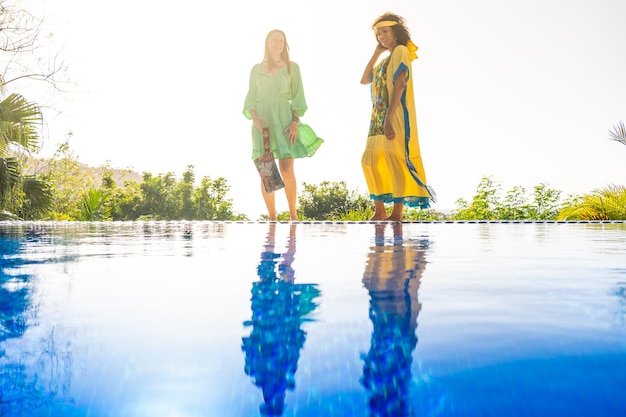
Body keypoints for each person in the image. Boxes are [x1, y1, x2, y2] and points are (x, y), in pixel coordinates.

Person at [360, 13, 436, 221]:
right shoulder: (385, 59)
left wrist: (389, 118)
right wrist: (376, 53)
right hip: (377, 118)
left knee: (395, 160)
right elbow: (364, 79)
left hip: (394, 115)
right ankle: (380, 211)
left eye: (385, 31)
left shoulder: (401, 51)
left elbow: (400, 85)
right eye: (378, 34)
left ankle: (396, 213)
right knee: (370, 160)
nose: (382, 36)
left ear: (395, 31)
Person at [243, 29, 324, 221]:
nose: (277, 44)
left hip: (285, 121)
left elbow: (298, 97)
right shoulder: (256, 69)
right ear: (267, 43)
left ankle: (293, 215)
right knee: (267, 171)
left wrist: (295, 122)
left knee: (287, 168)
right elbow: (250, 98)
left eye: (281, 41)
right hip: (262, 124)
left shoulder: (292, 68)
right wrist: (255, 119)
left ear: (284, 45)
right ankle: (272, 217)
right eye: (274, 40)